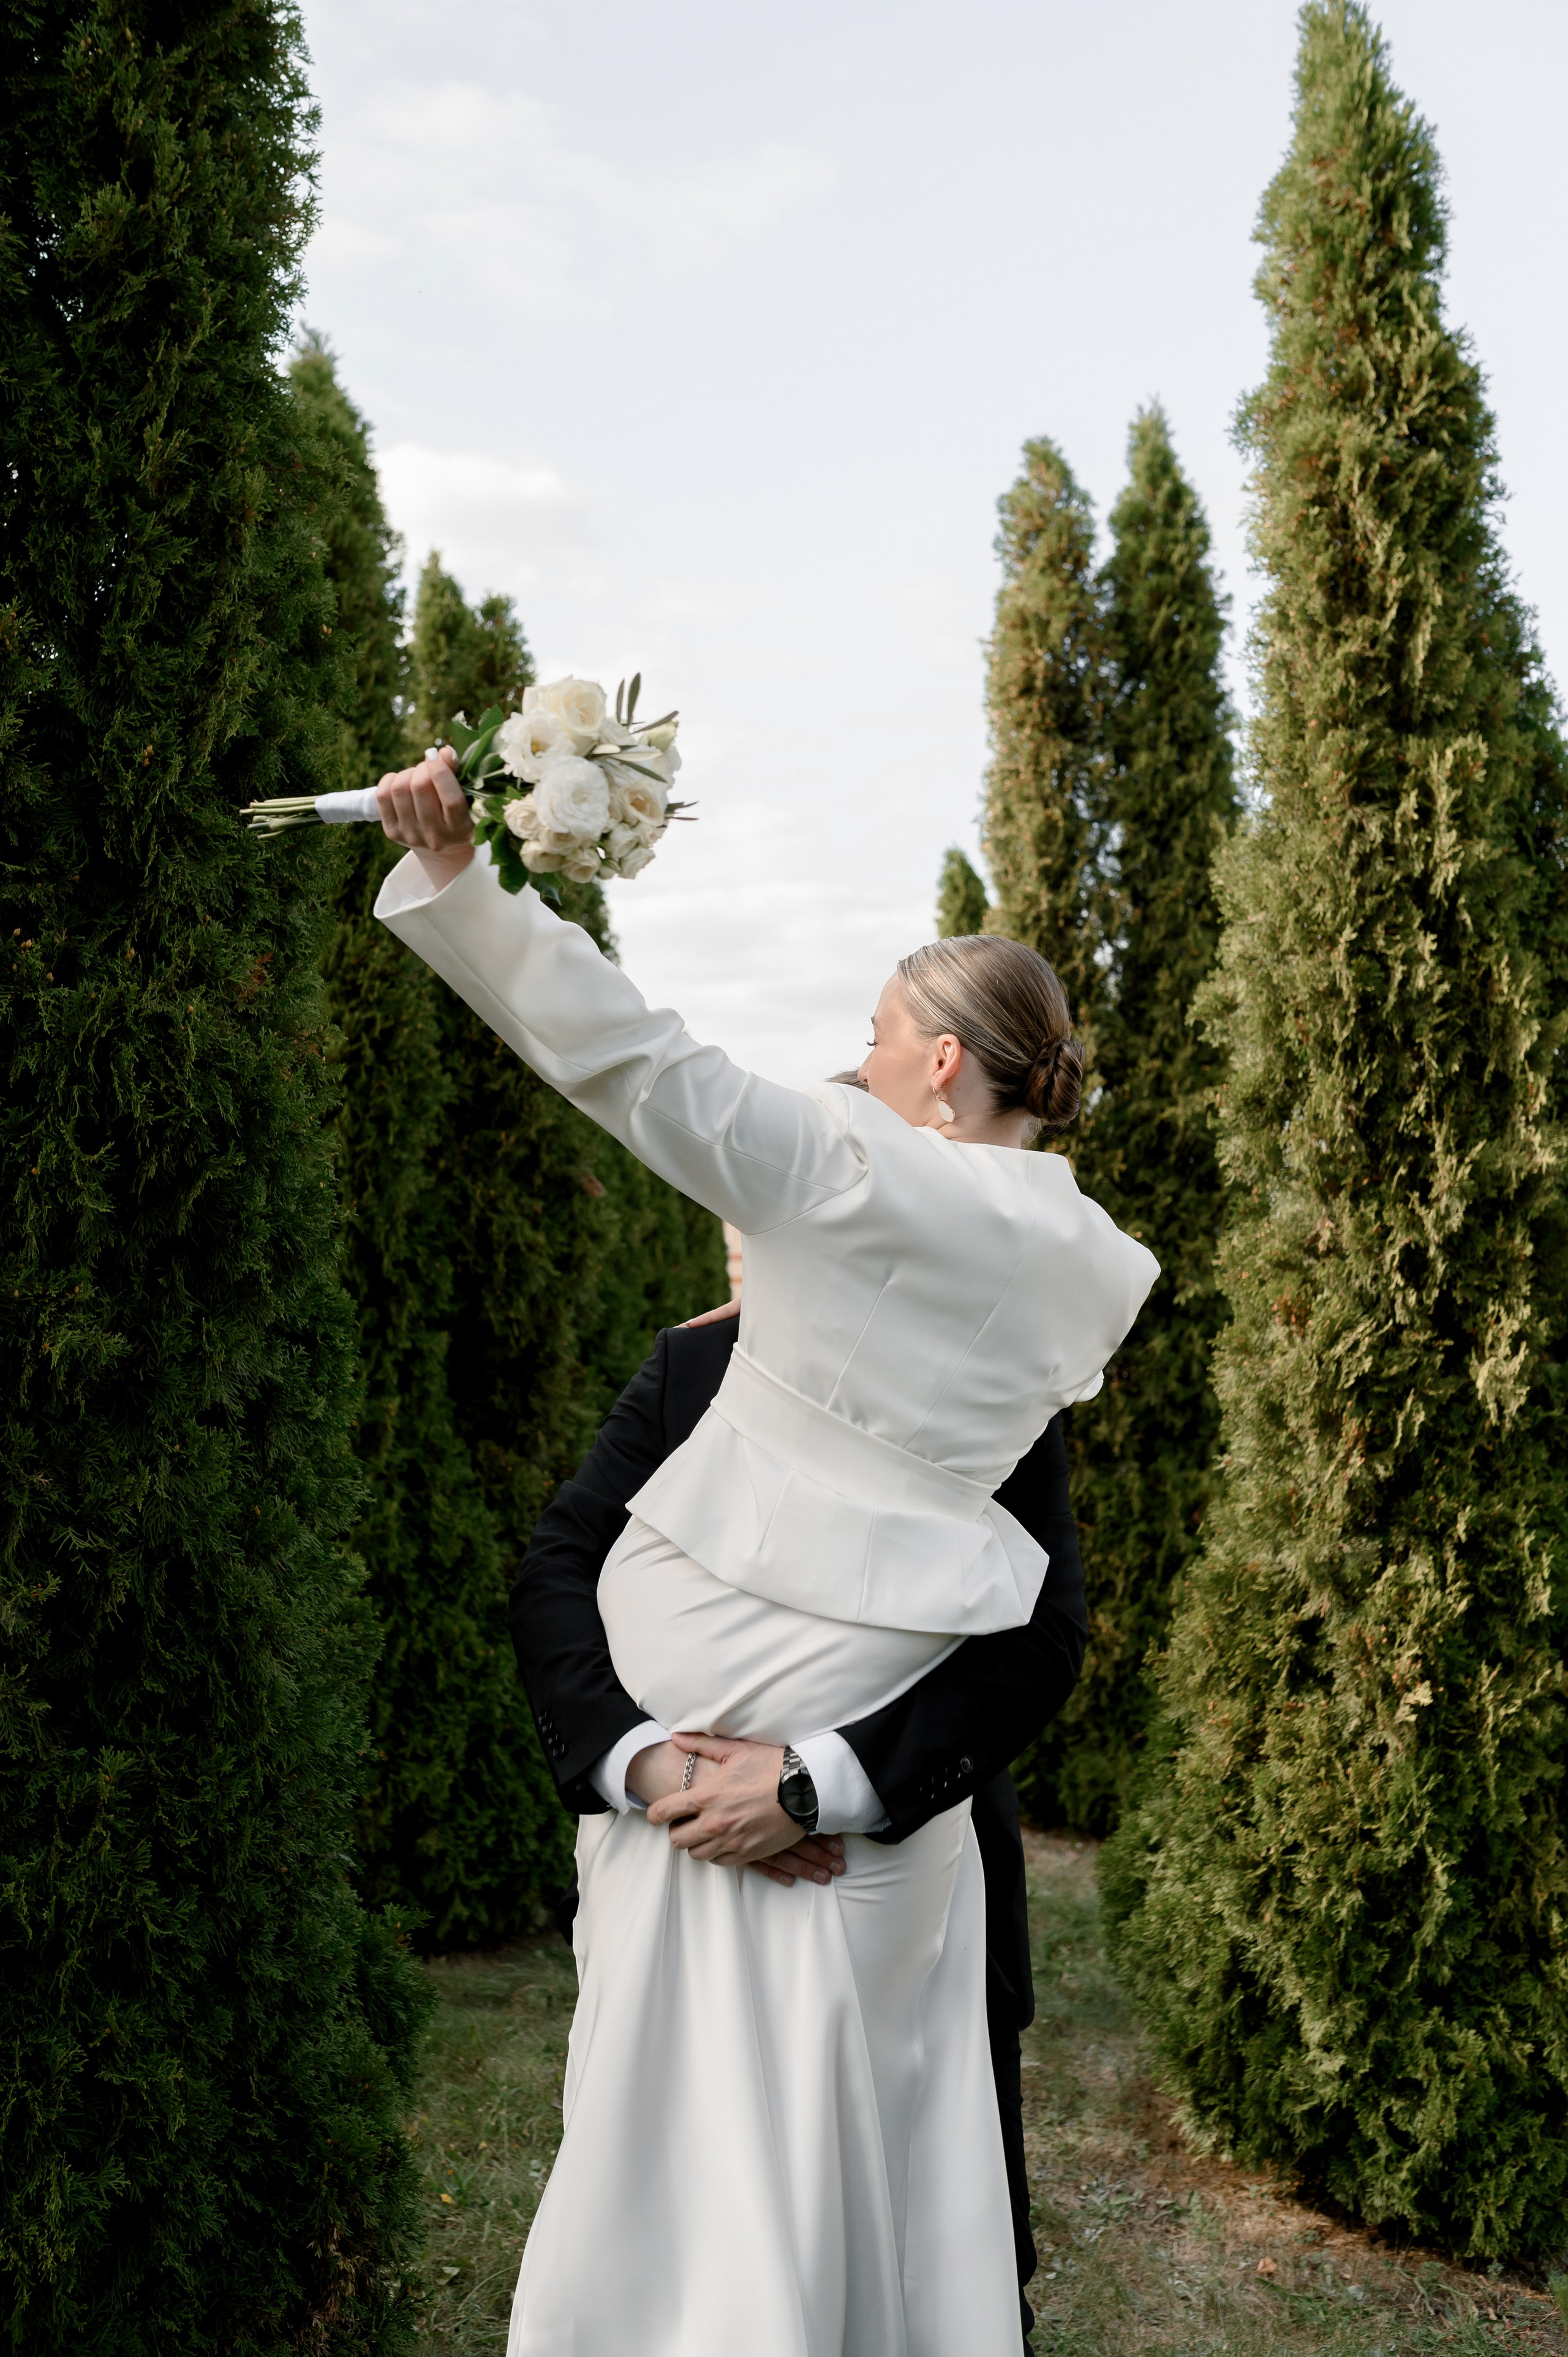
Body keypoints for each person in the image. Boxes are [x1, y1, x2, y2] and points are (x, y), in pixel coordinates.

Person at [371, 748, 1158, 2357]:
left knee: (745, 2222)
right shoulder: (1062, 1265)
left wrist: (460, 881)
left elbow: (639, 1062)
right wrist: (654, 1763)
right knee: (810, 2211)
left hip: (829, 1856)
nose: (849, 1069)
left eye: (871, 1039)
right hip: (735, 1848)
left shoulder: (877, 1202)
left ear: (939, 1064)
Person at [513, 1292, 1091, 2346]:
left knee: (912, 2250)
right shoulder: (697, 1362)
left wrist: (810, 1786)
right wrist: (658, 1768)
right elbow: (559, 1563)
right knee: (658, 2226)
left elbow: (1042, 1636)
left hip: (890, 1886)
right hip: (664, 1868)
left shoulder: (994, 1373)